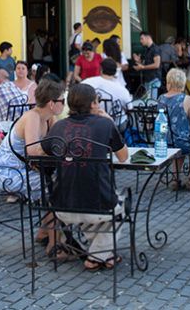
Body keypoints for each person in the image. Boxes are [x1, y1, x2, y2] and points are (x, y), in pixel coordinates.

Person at [42, 83, 128, 269]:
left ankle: (105, 255)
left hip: (62, 205)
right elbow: (123, 157)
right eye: (97, 101)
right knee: (121, 206)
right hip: (98, 204)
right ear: (92, 104)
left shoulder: (58, 127)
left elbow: (45, 153)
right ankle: (97, 257)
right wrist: (109, 120)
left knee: (90, 207)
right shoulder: (105, 124)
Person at [0, 77, 66, 199]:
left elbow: (59, 142)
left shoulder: (49, 117)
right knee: (61, 178)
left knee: (64, 175)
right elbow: (32, 152)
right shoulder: (32, 117)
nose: (64, 104)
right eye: (62, 101)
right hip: (2, 172)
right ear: (51, 104)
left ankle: (29, 198)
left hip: (22, 169)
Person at [158, 69, 190, 191]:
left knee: (179, 144)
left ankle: (175, 179)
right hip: (181, 142)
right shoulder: (187, 99)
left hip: (163, 142)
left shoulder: (160, 98)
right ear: (183, 83)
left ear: (169, 82)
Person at [133, 32, 162, 99]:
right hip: (148, 79)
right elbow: (146, 63)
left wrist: (143, 67)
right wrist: (139, 61)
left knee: (152, 101)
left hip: (154, 78)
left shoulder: (155, 49)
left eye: (142, 39)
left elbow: (156, 64)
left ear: (148, 37)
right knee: (148, 100)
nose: (140, 41)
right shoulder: (147, 50)